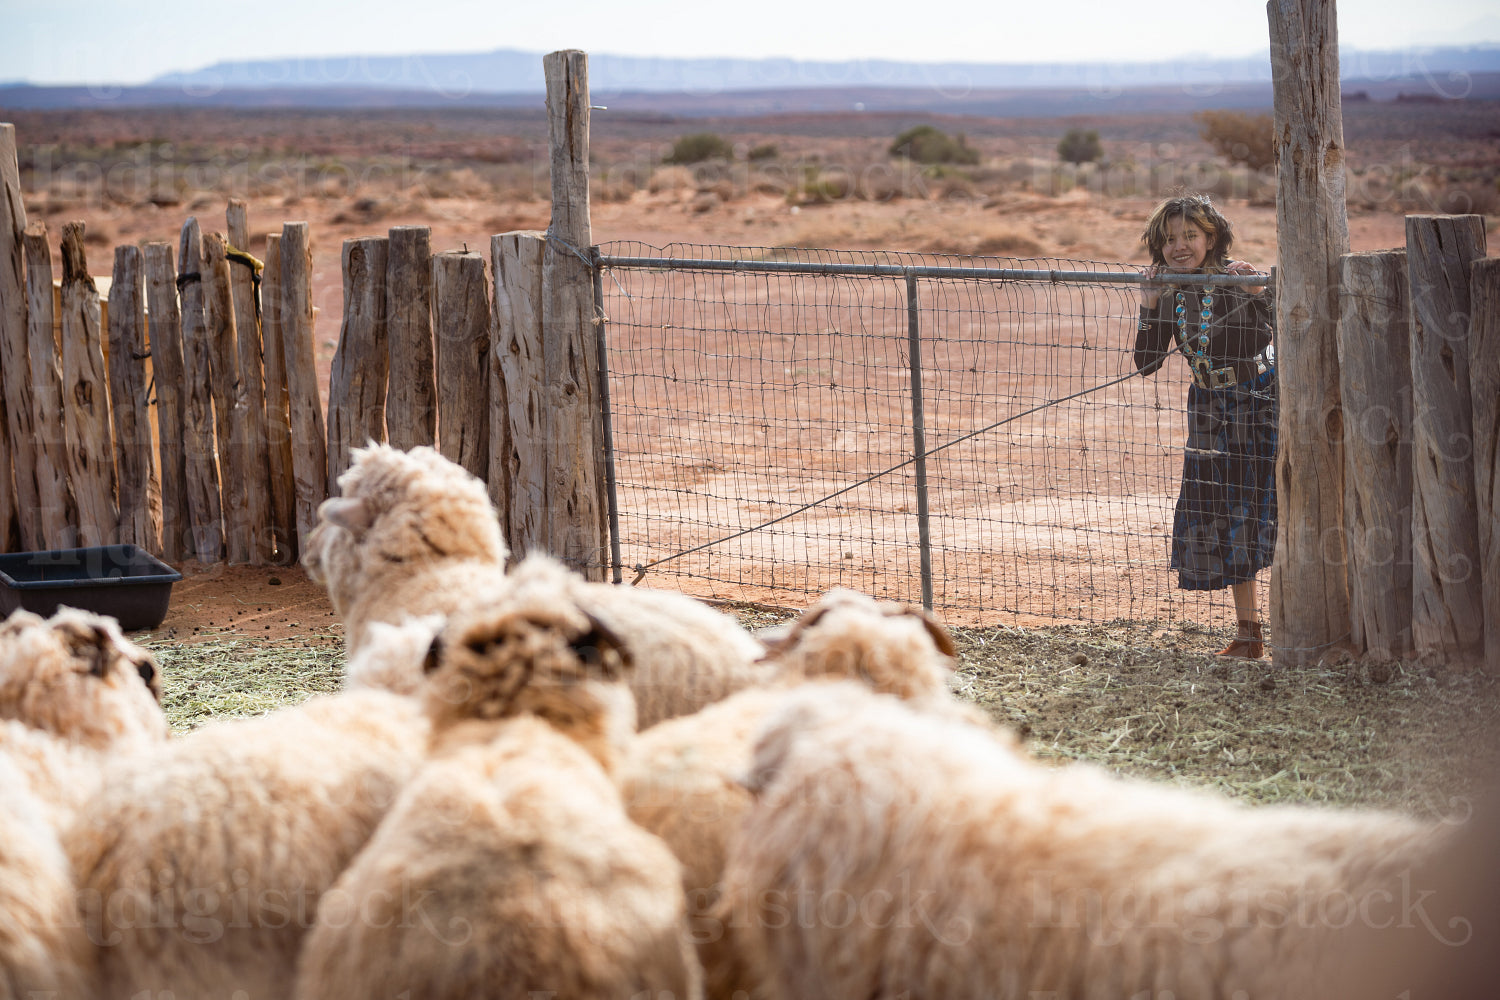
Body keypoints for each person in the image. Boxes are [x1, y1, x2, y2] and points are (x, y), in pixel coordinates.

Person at [1134, 194, 1276, 659]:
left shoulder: (1240, 277)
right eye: (1170, 238)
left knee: (1274, 507)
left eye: (1190, 236)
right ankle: (1250, 634)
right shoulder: (1170, 288)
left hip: (1260, 403)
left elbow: (1278, 330)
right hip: (1209, 410)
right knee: (1226, 511)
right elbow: (1147, 363)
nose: (1180, 246)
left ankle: (1306, 626)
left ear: (1211, 236)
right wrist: (1150, 305)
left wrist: (1260, 294)